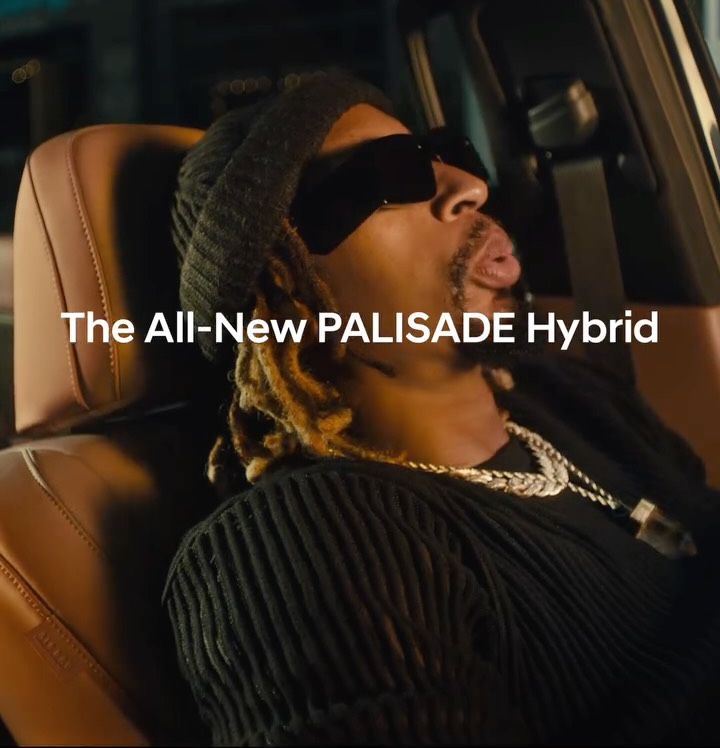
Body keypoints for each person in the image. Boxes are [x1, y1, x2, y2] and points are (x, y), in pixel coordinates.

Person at [163, 70, 720, 747]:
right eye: (392, 172)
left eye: (449, 153)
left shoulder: (564, 394)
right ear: (285, 293)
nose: (469, 186)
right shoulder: (305, 543)